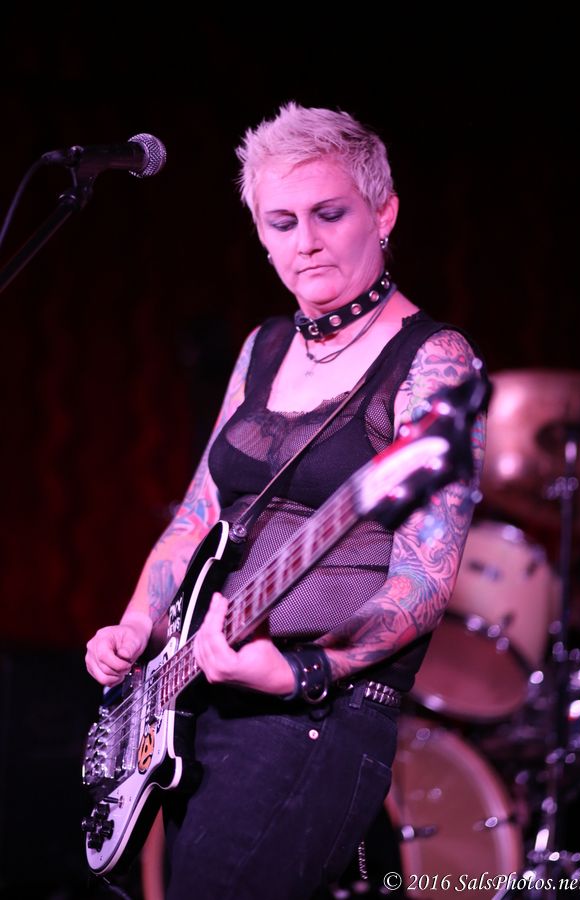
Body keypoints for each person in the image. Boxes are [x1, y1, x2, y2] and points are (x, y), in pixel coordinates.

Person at [85, 101, 486, 900]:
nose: (305, 241)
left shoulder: (434, 362)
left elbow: (421, 584)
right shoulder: (264, 346)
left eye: (329, 214)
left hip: (318, 715)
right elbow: (198, 515)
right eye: (281, 222)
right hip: (198, 699)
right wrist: (139, 625)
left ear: (383, 213)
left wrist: (301, 670)